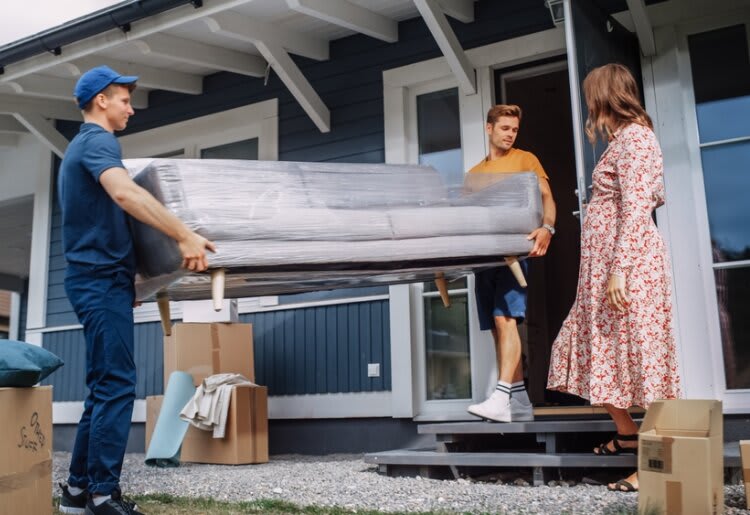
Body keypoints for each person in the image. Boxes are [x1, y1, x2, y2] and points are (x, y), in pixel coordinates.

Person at [57, 65, 215, 515]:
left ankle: (76, 493)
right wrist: (184, 235)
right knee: (117, 387)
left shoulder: (83, 147)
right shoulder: (97, 141)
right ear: (101, 100)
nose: (131, 107)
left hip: (101, 281)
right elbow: (125, 194)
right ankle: (104, 496)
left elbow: (109, 219)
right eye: (124, 99)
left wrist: (135, 279)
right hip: (98, 282)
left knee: (104, 387)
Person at [547, 63, 682, 492]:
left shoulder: (638, 140)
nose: (588, 102)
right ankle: (627, 434)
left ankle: (657, 467)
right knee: (582, 351)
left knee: (646, 360)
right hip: (605, 271)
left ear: (605, 95)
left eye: (591, 94)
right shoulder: (620, 141)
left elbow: (638, 207)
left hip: (630, 270)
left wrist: (620, 269)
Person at [466, 104, 556, 423]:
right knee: (495, 326)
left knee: (507, 320)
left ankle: (501, 396)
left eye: (514, 129)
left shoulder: (526, 159)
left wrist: (548, 228)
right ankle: (519, 400)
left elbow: (547, 197)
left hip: (514, 253)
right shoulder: (473, 175)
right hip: (483, 256)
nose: (510, 134)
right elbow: (468, 217)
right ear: (488, 128)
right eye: (505, 128)